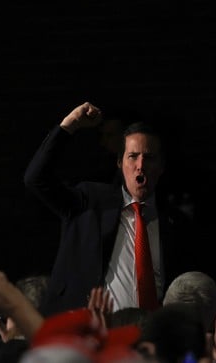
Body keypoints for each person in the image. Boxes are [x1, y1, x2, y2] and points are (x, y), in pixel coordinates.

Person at [24, 102, 193, 315]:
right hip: (88, 333)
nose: (140, 165)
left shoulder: (173, 222)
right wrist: (70, 125)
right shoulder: (90, 201)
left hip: (149, 338)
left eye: (148, 157)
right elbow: (36, 179)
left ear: (161, 167)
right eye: (132, 156)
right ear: (119, 163)